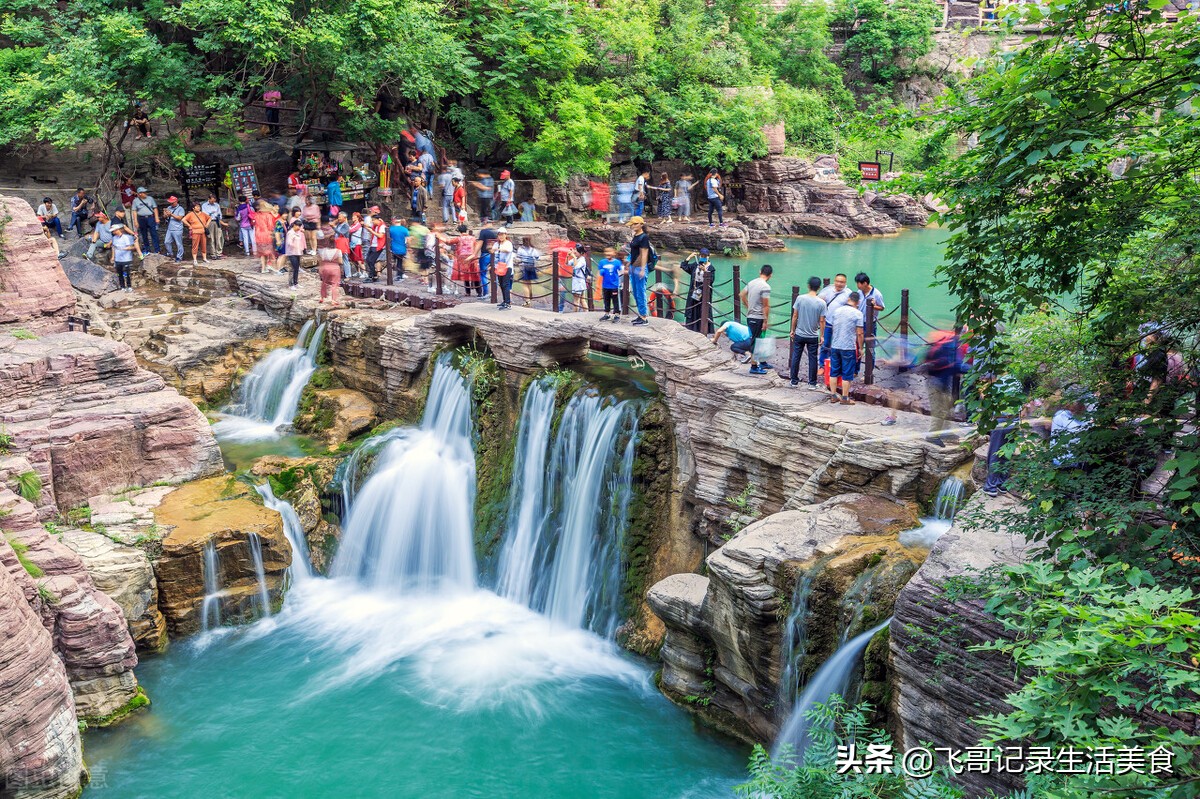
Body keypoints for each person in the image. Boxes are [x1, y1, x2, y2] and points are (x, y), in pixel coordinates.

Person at [922, 329, 963, 446]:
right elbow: (957, 365)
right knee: (939, 409)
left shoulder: (949, 342)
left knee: (947, 405)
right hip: (937, 382)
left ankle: (945, 431)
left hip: (940, 381)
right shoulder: (952, 346)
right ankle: (932, 435)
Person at [824, 291, 864, 404]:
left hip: (835, 345)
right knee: (847, 373)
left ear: (848, 300)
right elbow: (860, 333)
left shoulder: (837, 311)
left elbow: (832, 327)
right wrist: (861, 348)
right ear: (858, 302)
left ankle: (833, 395)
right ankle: (845, 398)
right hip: (848, 347)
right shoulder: (858, 314)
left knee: (834, 371)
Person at [789, 276, 826, 387]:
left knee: (796, 356)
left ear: (808, 286)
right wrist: (822, 335)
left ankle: (794, 381)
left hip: (800, 333)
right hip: (813, 335)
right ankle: (812, 383)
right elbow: (822, 321)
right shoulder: (822, 303)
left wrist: (792, 330)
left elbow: (795, 315)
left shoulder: (800, 298)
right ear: (819, 287)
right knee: (813, 358)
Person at [818, 273, 852, 385]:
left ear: (845, 283)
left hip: (841, 325)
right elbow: (819, 301)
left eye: (842, 282)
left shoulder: (848, 293)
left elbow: (852, 308)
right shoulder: (828, 290)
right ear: (834, 281)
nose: (839, 284)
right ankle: (822, 365)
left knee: (839, 346)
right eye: (837, 281)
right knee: (826, 344)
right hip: (828, 322)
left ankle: (837, 368)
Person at [741, 264, 773, 374]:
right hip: (758, 317)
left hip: (750, 316)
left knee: (759, 339)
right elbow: (766, 305)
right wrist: (765, 321)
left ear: (760, 271)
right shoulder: (765, 287)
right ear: (770, 275)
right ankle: (754, 367)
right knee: (756, 341)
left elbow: (742, 294)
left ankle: (762, 362)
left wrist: (748, 306)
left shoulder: (751, 282)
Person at [627, 216, 652, 326]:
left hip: (640, 268)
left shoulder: (644, 237)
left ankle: (644, 317)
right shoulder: (635, 236)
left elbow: (644, 253)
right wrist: (629, 263)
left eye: (635, 224)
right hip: (633, 267)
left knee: (641, 292)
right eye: (632, 224)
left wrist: (642, 269)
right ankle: (640, 314)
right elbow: (634, 252)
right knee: (636, 292)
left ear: (641, 224)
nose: (632, 226)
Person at [110, 222, 140, 292]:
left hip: (126, 258)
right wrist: (113, 257)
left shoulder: (126, 237)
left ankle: (129, 286)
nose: (113, 232)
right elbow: (113, 247)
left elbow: (132, 247)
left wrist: (125, 249)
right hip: (118, 258)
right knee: (119, 273)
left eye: (114, 231)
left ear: (118, 230)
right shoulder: (114, 238)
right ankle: (122, 287)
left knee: (127, 273)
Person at [451, 224, 479, 296]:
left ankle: (468, 292)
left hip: (463, 258)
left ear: (459, 231)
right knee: (475, 275)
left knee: (466, 276)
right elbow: (475, 247)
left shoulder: (458, 238)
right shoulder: (473, 238)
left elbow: (449, 242)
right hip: (472, 257)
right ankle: (479, 292)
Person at [597, 246, 623, 322]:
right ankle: (607, 314)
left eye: (610, 252)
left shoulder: (617, 262)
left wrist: (621, 282)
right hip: (605, 285)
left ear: (614, 253)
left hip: (614, 285)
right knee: (606, 300)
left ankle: (617, 315)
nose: (608, 253)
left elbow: (621, 272)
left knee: (615, 300)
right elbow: (599, 272)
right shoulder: (602, 262)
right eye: (606, 252)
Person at [132, 188, 160, 254]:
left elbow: (155, 208)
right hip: (141, 218)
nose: (145, 193)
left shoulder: (150, 199)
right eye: (144, 192)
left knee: (154, 234)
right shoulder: (135, 201)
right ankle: (147, 249)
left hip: (150, 217)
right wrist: (135, 221)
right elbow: (134, 211)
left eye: (145, 192)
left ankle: (157, 249)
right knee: (144, 234)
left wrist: (156, 217)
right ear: (139, 194)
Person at [515, 236, 541, 306]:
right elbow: (537, 257)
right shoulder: (533, 249)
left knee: (525, 284)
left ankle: (527, 301)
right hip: (531, 267)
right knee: (529, 282)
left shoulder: (521, 249)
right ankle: (530, 296)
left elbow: (518, 257)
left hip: (524, 267)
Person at [493, 227, 515, 309]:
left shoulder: (508, 243)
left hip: (507, 266)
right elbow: (492, 251)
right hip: (498, 267)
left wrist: (498, 249)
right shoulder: (496, 244)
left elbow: (508, 250)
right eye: (499, 235)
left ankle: (508, 303)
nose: (501, 236)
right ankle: (504, 300)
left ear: (505, 235)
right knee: (501, 284)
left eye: (502, 234)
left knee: (506, 284)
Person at [475, 220, 496, 299]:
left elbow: (480, 243)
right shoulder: (496, 232)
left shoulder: (483, 232)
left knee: (483, 274)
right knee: (494, 274)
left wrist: (474, 254)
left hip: (485, 254)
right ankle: (494, 292)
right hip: (494, 254)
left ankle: (486, 293)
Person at [253, 201, 276, 272]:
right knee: (269, 252)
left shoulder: (256, 215)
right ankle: (270, 266)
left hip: (258, 235)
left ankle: (263, 268)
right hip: (267, 235)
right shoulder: (268, 215)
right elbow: (271, 226)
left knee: (262, 253)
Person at [364, 209, 387, 282]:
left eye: (373, 220)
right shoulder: (375, 225)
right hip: (373, 245)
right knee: (368, 260)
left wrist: (371, 231)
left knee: (371, 260)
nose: (372, 222)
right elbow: (368, 226)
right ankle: (374, 275)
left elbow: (380, 236)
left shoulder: (382, 226)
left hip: (378, 246)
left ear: (377, 220)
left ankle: (372, 276)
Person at [317, 242, 342, 306]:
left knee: (324, 282)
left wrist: (320, 268)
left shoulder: (323, 251)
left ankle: (322, 298)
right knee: (335, 284)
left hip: (325, 268)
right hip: (335, 268)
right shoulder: (338, 251)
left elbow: (321, 260)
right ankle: (333, 300)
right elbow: (340, 261)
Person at [201, 194, 226, 259]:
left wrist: (216, 215)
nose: (213, 202)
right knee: (211, 238)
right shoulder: (204, 205)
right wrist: (212, 213)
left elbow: (219, 214)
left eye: (214, 201)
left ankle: (219, 253)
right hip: (210, 222)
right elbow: (205, 214)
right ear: (209, 199)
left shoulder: (217, 205)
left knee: (219, 237)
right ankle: (213, 254)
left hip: (217, 221)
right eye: (212, 201)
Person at [163, 196, 186, 262]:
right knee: (166, 242)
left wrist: (171, 214)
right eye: (170, 203)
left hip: (177, 229)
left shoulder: (180, 209)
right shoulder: (169, 208)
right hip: (170, 228)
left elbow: (180, 218)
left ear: (176, 202)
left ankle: (179, 257)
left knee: (179, 243)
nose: (171, 204)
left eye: (172, 203)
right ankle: (170, 253)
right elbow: (165, 217)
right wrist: (165, 214)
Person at [285, 219, 305, 286]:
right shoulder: (290, 233)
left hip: (297, 252)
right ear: (294, 225)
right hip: (292, 253)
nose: (299, 228)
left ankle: (296, 283)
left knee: (296, 268)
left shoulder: (297, 232)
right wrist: (296, 246)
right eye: (298, 226)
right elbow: (289, 243)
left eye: (300, 226)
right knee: (293, 269)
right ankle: (291, 284)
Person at [569, 244, 589, 312]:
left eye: (576, 251)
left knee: (576, 301)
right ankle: (587, 314)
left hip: (579, 283)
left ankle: (575, 315)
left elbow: (576, 267)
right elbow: (567, 263)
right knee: (582, 300)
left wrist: (574, 257)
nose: (574, 252)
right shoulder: (577, 258)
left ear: (581, 253)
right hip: (579, 282)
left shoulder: (582, 260)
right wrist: (567, 256)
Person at [333, 212, 352, 278]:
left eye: (340, 217)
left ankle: (348, 275)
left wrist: (334, 227)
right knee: (338, 258)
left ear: (344, 218)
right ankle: (341, 273)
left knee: (345, 258)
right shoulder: (339, 224)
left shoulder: (346, 225)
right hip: (338, 242)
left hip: (343, 243)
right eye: (338, 217)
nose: (339, 218)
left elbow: (341, 233)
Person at [348, 212, 366, 277]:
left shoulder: (358, 225)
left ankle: (364, 272)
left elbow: (350, 230)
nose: (352, 218)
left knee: (358, 258)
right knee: (354, 259)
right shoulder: (353, 224)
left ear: (357, 217)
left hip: (357, 243)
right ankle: (358, 271)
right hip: (352, 243)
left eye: (354, 216)